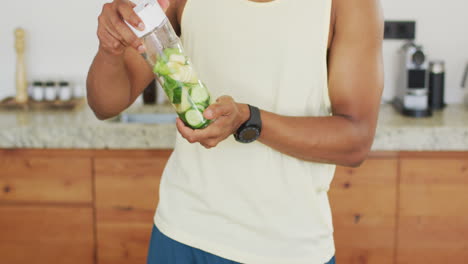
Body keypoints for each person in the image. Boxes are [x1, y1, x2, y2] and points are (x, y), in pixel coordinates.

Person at [87, 0, 384, 263]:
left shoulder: (349, 5)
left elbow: (355, 139)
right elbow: (106, 103)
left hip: (288, 249)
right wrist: (109, 49)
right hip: (182, 231)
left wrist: (248, 119)